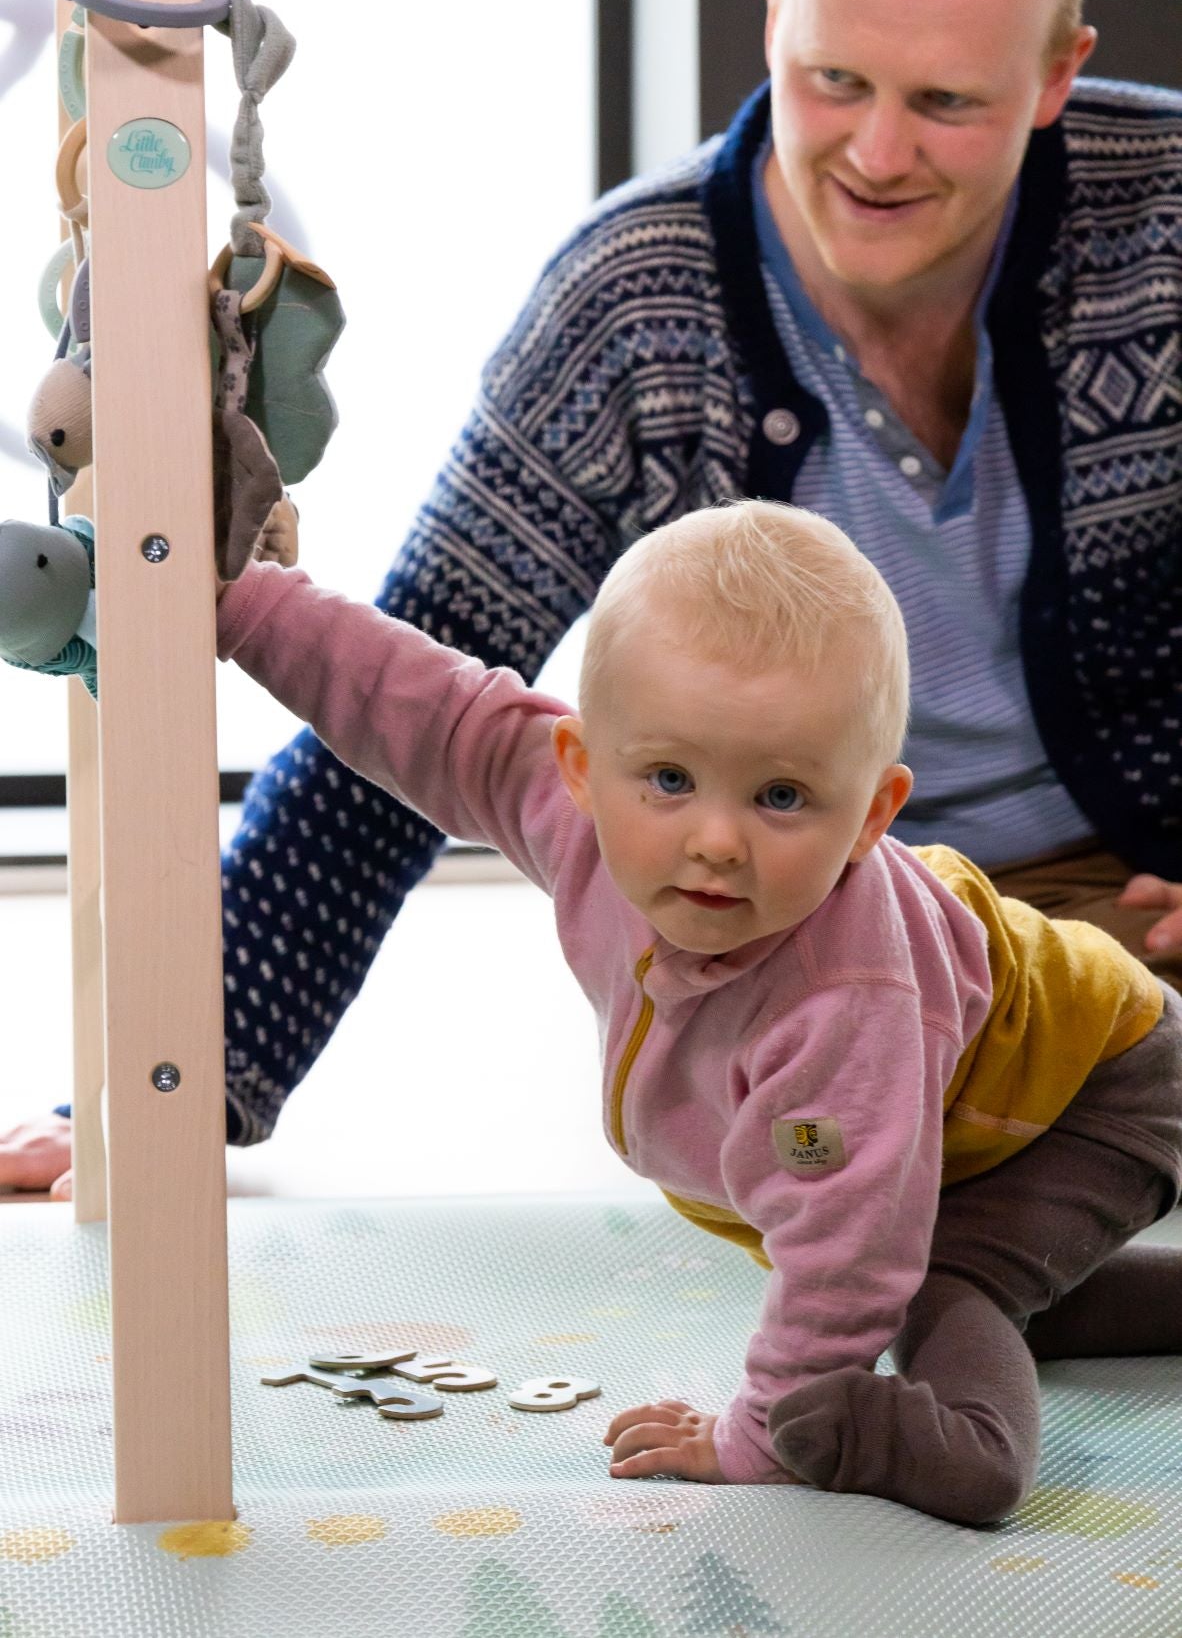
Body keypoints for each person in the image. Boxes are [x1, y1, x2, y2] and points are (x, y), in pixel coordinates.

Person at [4, 0, 1181, 1196]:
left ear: (1052, 72)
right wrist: (173, 1073)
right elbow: (414, 695)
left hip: (1120, 901)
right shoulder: (634, 302)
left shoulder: (1163, 226)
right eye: (833, 81)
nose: (876, 153)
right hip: (811, 926)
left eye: (947, 103)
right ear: (775, 7)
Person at [212, 498, 1182, 1522]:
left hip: (1096, 1092)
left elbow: (849, 1254)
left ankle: (973, 1453)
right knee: (1020, 1283)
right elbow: (423, 711)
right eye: (670, 779)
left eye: (781, 798)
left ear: (873, 816)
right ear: (582, 769)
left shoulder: (844, 1004)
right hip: (988, 1088)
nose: (716, 841)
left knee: (947, 1284)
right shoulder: (571, 816)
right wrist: (241, 605)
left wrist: (760, 1432)